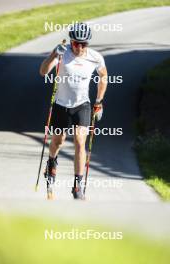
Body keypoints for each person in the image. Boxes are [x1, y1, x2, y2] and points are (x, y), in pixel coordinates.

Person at [40, 22, 108, 199]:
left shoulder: (95, 57)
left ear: (88, 44)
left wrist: (99, 101)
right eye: (76, 43)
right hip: (61, 104)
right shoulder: (63, 54)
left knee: (79, 141)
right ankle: (51, 164)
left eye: (83, 44)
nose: (79, 47)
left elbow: (104, 76)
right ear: (71, 41)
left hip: (82, 105)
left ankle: (78, 187)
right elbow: (43, 71)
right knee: (58, 141)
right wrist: (54, 53)